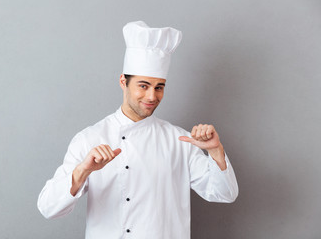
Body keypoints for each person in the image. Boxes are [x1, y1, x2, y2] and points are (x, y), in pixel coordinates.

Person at [37, 21, 238, 239]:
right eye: (143, 86)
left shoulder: (180, 140)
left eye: (159, 87)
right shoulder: (89, 138)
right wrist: (83, 170)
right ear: (123, 82)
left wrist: (215, 150)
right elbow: (48, 208)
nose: (152, 97)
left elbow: (224, 194)